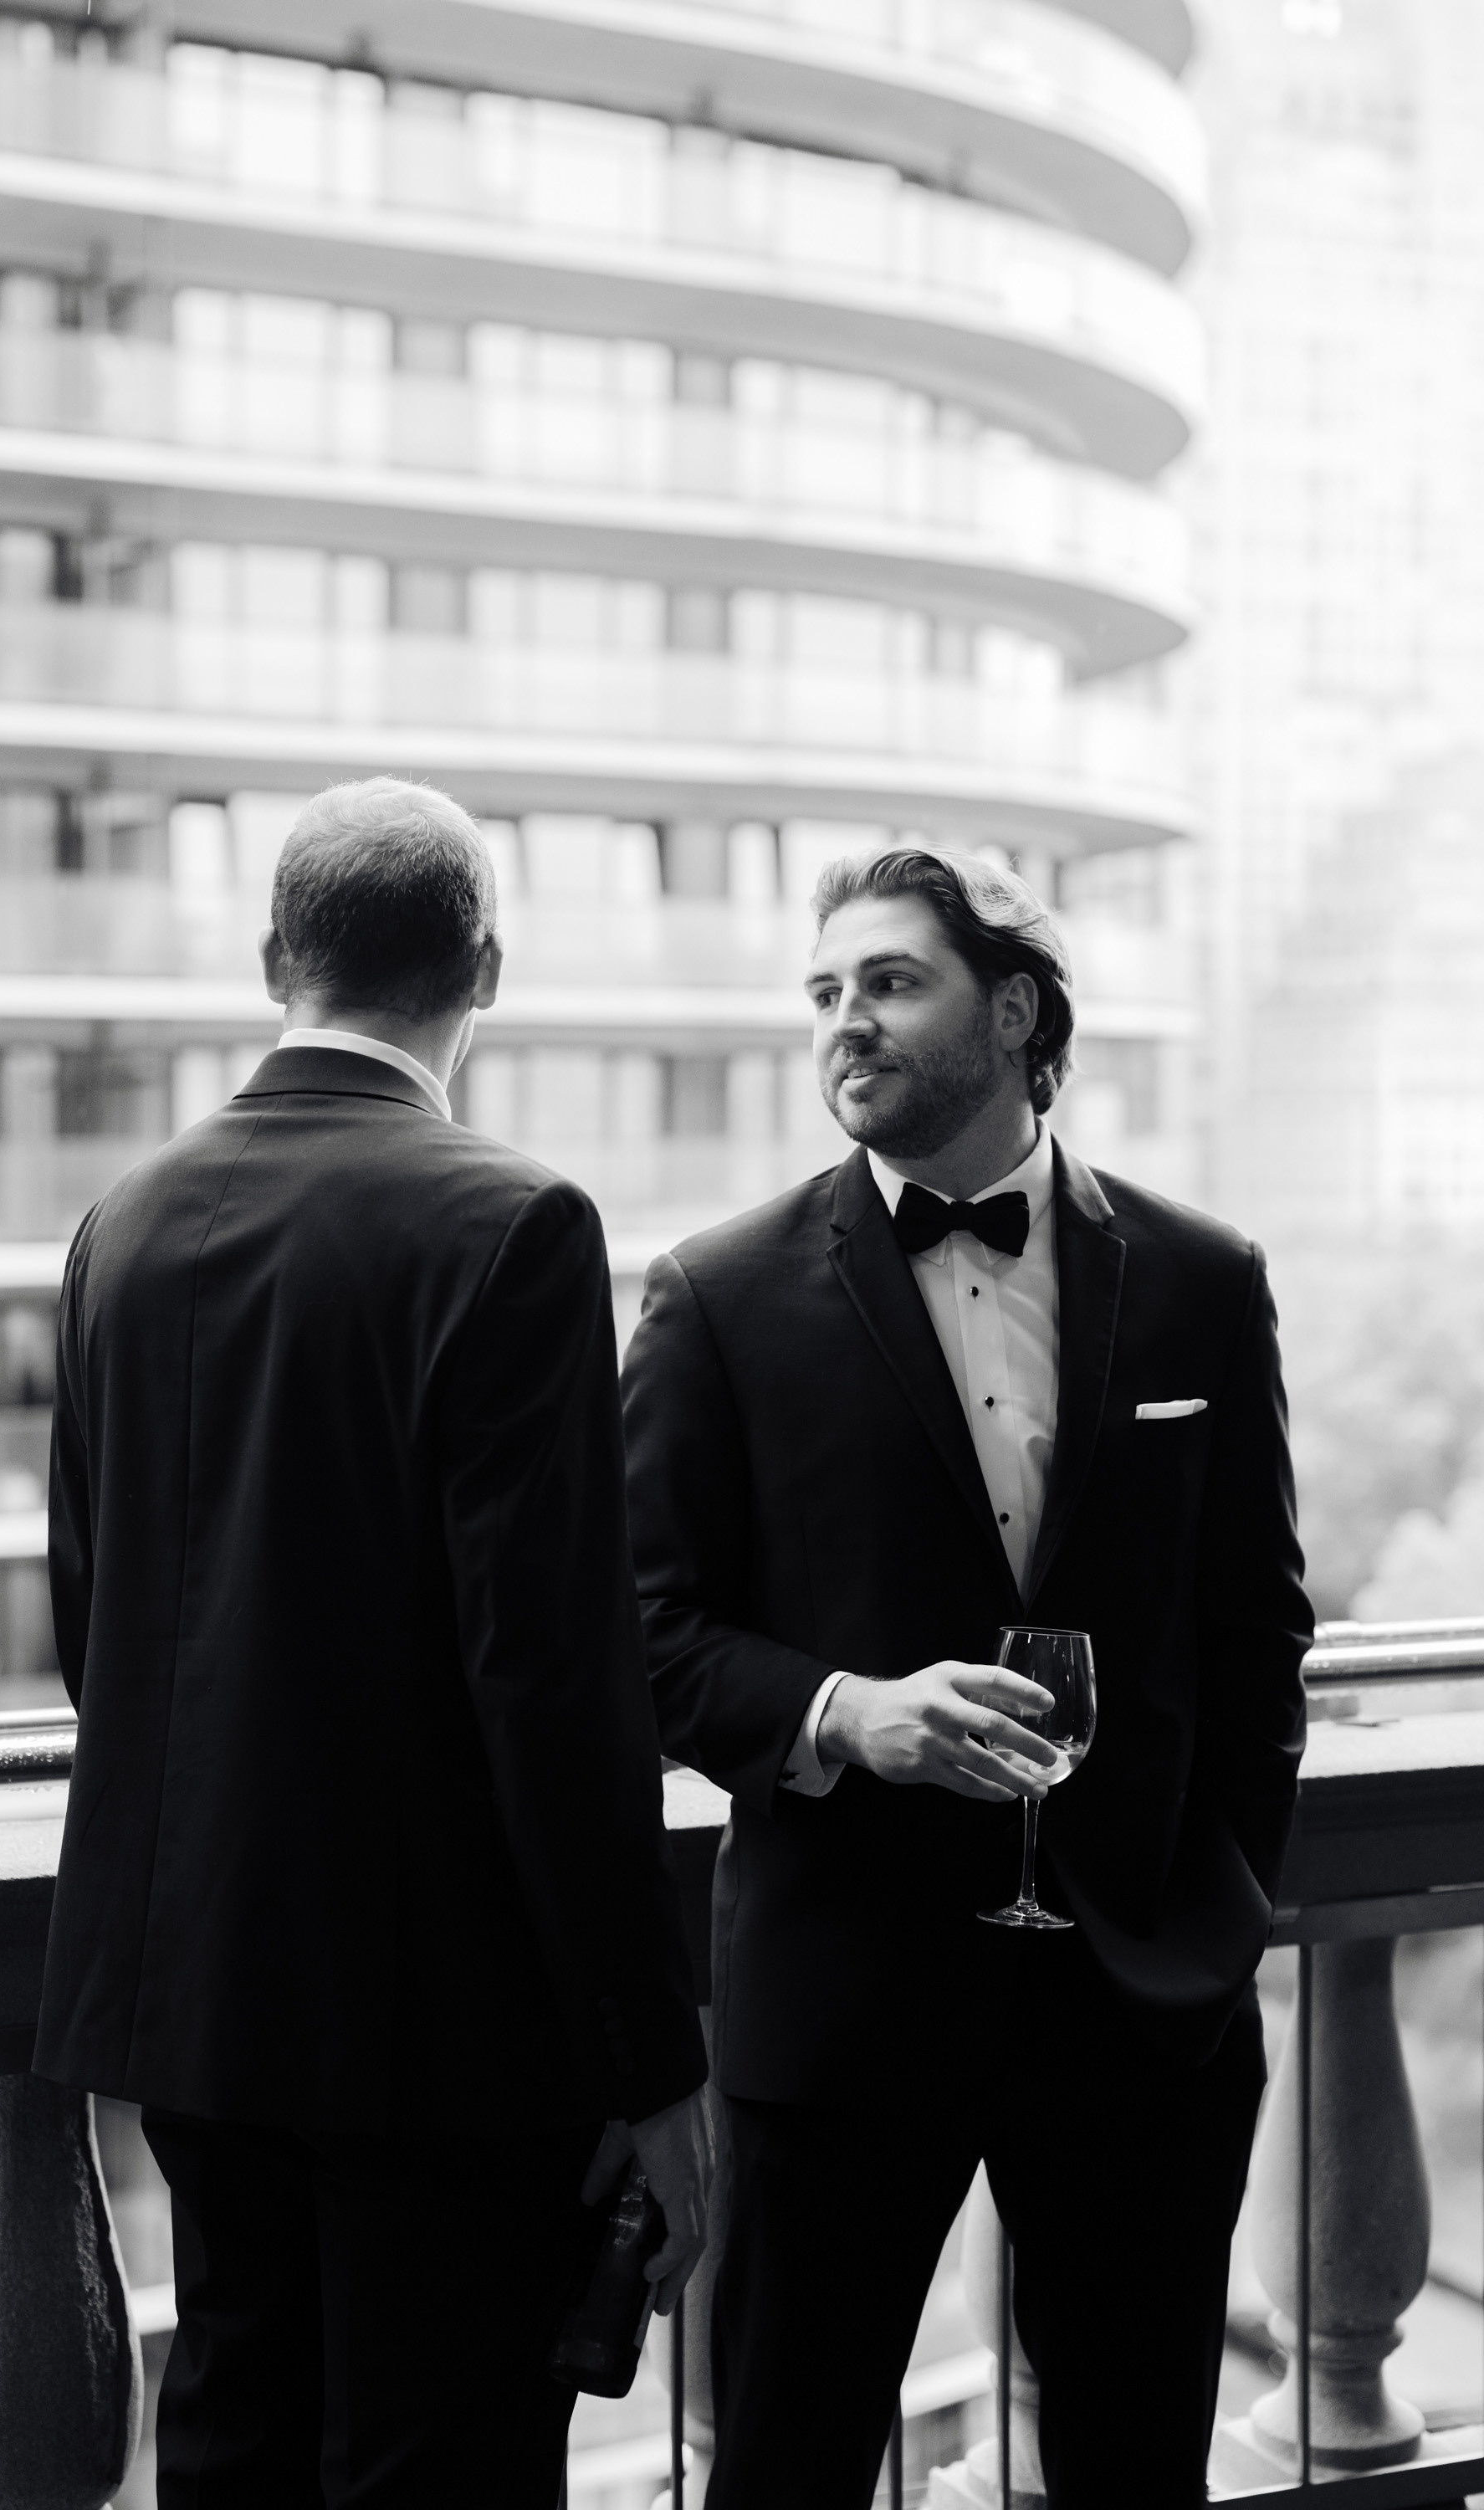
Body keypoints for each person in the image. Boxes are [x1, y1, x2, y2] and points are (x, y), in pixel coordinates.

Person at [35, 777, 710, 2507]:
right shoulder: (513, 1226)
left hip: (192, 2003)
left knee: (233, 2443)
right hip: (440, 2035)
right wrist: (648, 2059)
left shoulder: (119, 1226)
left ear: (277, 958)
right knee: (442, 2470)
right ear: (485, 966)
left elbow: (87, 1620)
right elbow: (553, 1684)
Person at [621, 846, 1310, 2510]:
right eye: (825, 994)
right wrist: (845, 1716)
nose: (843, 1024)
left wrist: (1210, 1914)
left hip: (1137, 2008)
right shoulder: (713, 1298)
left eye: (889, 982)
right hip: (844, 2008)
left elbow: (1255, 1627)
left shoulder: (1203, 1280)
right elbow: (639, 1634)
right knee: (783, 2466)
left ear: (1010, 1012)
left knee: (1135, 2470)